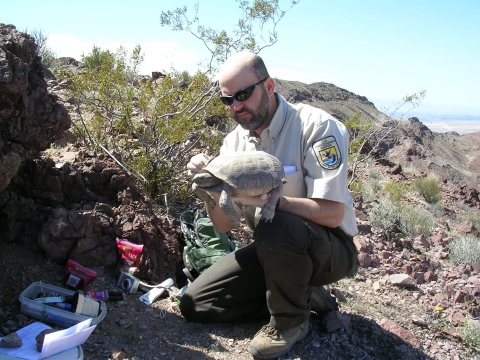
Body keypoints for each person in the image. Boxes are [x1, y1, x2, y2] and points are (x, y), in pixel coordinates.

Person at [181, 52, 358, 359]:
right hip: (273, 249)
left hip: (330, 248)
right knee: (197, 304)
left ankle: (289, 322)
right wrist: (207, 187)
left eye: (243, 95)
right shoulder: (234, 145)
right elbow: (224, 226)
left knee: (274, 221)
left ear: (270, 86)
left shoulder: (316, 127)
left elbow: (332, 214)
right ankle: (300, 292)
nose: (236, 106)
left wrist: (272, 200)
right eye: (228, 100)